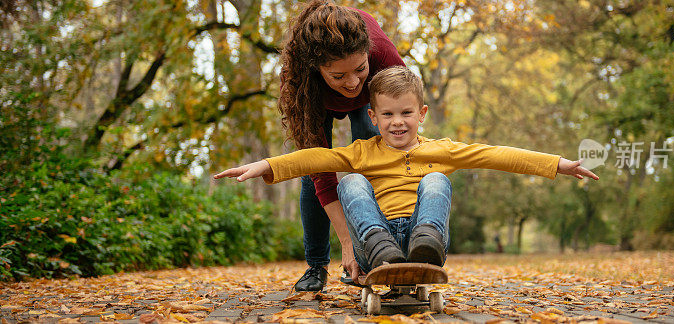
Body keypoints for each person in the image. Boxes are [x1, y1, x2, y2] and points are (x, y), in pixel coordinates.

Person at [214, 66, 599, 277]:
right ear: (373, 117)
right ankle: (379, 247)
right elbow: (313, 158)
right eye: (388, 114)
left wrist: (558, 164)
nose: (398, 123)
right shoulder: (362, 151)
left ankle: (426, 242)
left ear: (421, 114)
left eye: (406, 113)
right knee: (350, 180)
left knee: (436, 179)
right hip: (372, 241)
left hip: (422, 236)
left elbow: (496, 155)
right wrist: (265, 165)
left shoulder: (441, 149)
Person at [277, 0, 405, 291]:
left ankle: (381, 253)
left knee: (373, 166)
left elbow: (404, 108)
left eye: (359, 68)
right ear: (316, 68)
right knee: (315, 173)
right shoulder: (297, 81)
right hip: (318, 102)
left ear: (368, 55)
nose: (351, 82)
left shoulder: (382, 54)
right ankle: (316, 265)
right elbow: (323, 178)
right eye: (338, 75)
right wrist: (346, 242)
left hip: (371, 101)